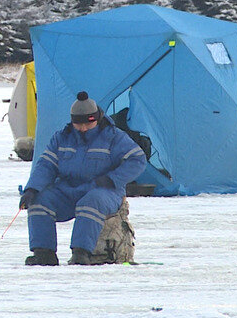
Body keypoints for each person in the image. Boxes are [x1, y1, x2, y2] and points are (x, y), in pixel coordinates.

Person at [19, 91, 147, 266]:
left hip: (104, 191)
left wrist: (112, 179)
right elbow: (46, 165)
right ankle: (44, 253)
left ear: (96, 118)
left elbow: (138, 159)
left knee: (91, 203)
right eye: (78, 124)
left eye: (88, 123)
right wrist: (32, 189)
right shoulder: (61, 138)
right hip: (68, 189)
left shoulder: (114, 137)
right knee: (40, 201)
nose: (83, 128)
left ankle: (81, 252)